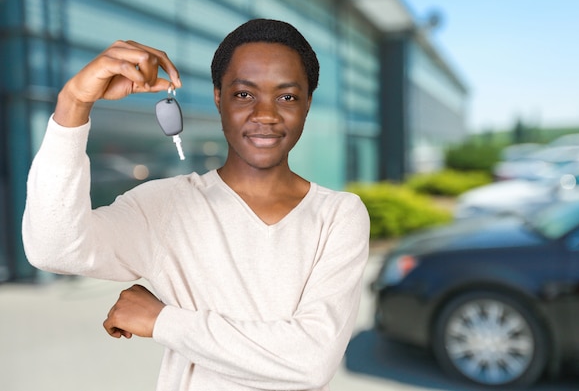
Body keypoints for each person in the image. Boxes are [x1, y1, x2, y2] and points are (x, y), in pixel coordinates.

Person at [22, 19, 370, 391]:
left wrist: (162, 321)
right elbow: (54, 248)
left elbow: (310, 363)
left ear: (307, 104)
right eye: (244, 94)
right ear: (218, 97)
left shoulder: (338, 215)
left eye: (286, 96)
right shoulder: (165, 206)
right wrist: (74, 103)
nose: (266, 114)